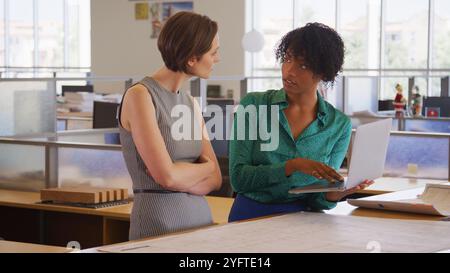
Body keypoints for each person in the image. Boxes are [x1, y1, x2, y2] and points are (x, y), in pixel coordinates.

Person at [228, 23, 374, 222]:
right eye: (287, 59)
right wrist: (292, 166)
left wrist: (335, 195)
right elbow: (238, 178)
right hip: (251, 215)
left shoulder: (338, 125)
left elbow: (318, 198)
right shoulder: (254, 105)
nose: (289, 71)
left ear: (323, 72)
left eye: (302, 65)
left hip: (306, 220)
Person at [118, 11, 222, 240]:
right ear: (192, 58)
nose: (217, 59)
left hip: (201, 224)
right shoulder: (140, 96)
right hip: (159, 224)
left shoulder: (191, 103)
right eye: (213, 53)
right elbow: (167, 177)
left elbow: (216, 179)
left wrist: (181, 176)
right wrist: (203, 169)